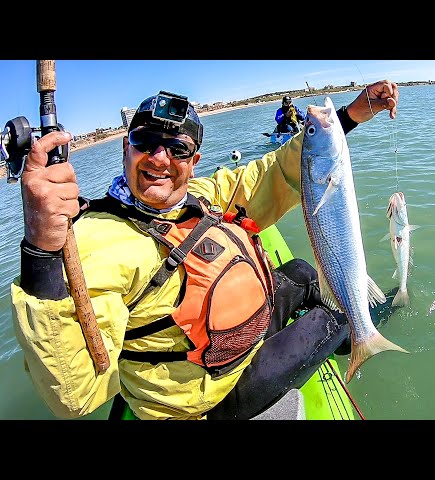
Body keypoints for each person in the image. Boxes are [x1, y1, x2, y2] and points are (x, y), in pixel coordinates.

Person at [11, 79, 400, 420]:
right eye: (146, 142)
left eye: (177, 148)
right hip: (206, 399)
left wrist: (351, 115)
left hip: (237, 337)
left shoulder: (196, 197)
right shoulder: (96, 243)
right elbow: (73, 393)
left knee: (300, 271)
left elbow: (271, 174)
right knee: (330, 320)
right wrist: (42, 247)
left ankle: (349, 329)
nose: (160, 158)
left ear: (194, 162)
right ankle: (361, 337)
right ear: (126, 150)